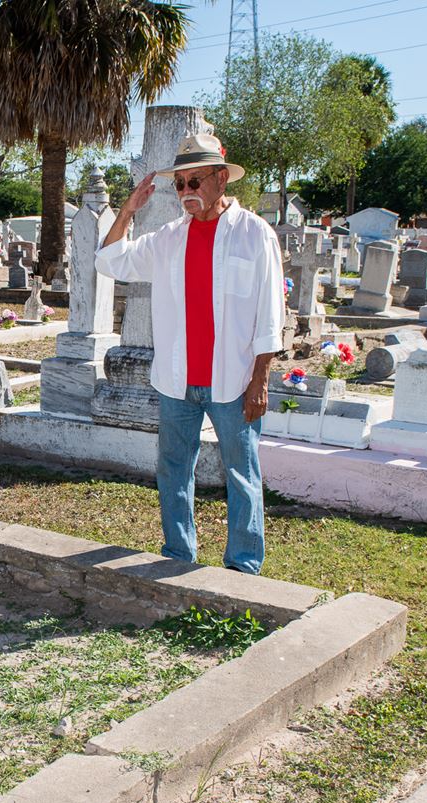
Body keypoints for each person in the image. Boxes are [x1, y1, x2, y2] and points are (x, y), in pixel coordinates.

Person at [95, 132, 284, 574]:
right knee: (174, 470)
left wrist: (260, 382)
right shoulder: (167, 239)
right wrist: (128, 211)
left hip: (234, 382)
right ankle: (178, 556)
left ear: (221, 179)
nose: (185, 193)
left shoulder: (255, 235)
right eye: (179, 184)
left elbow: (270, 317)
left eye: (194, 182)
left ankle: (244, 566)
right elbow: (110, 262)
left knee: (242, 474)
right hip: (177, 381)